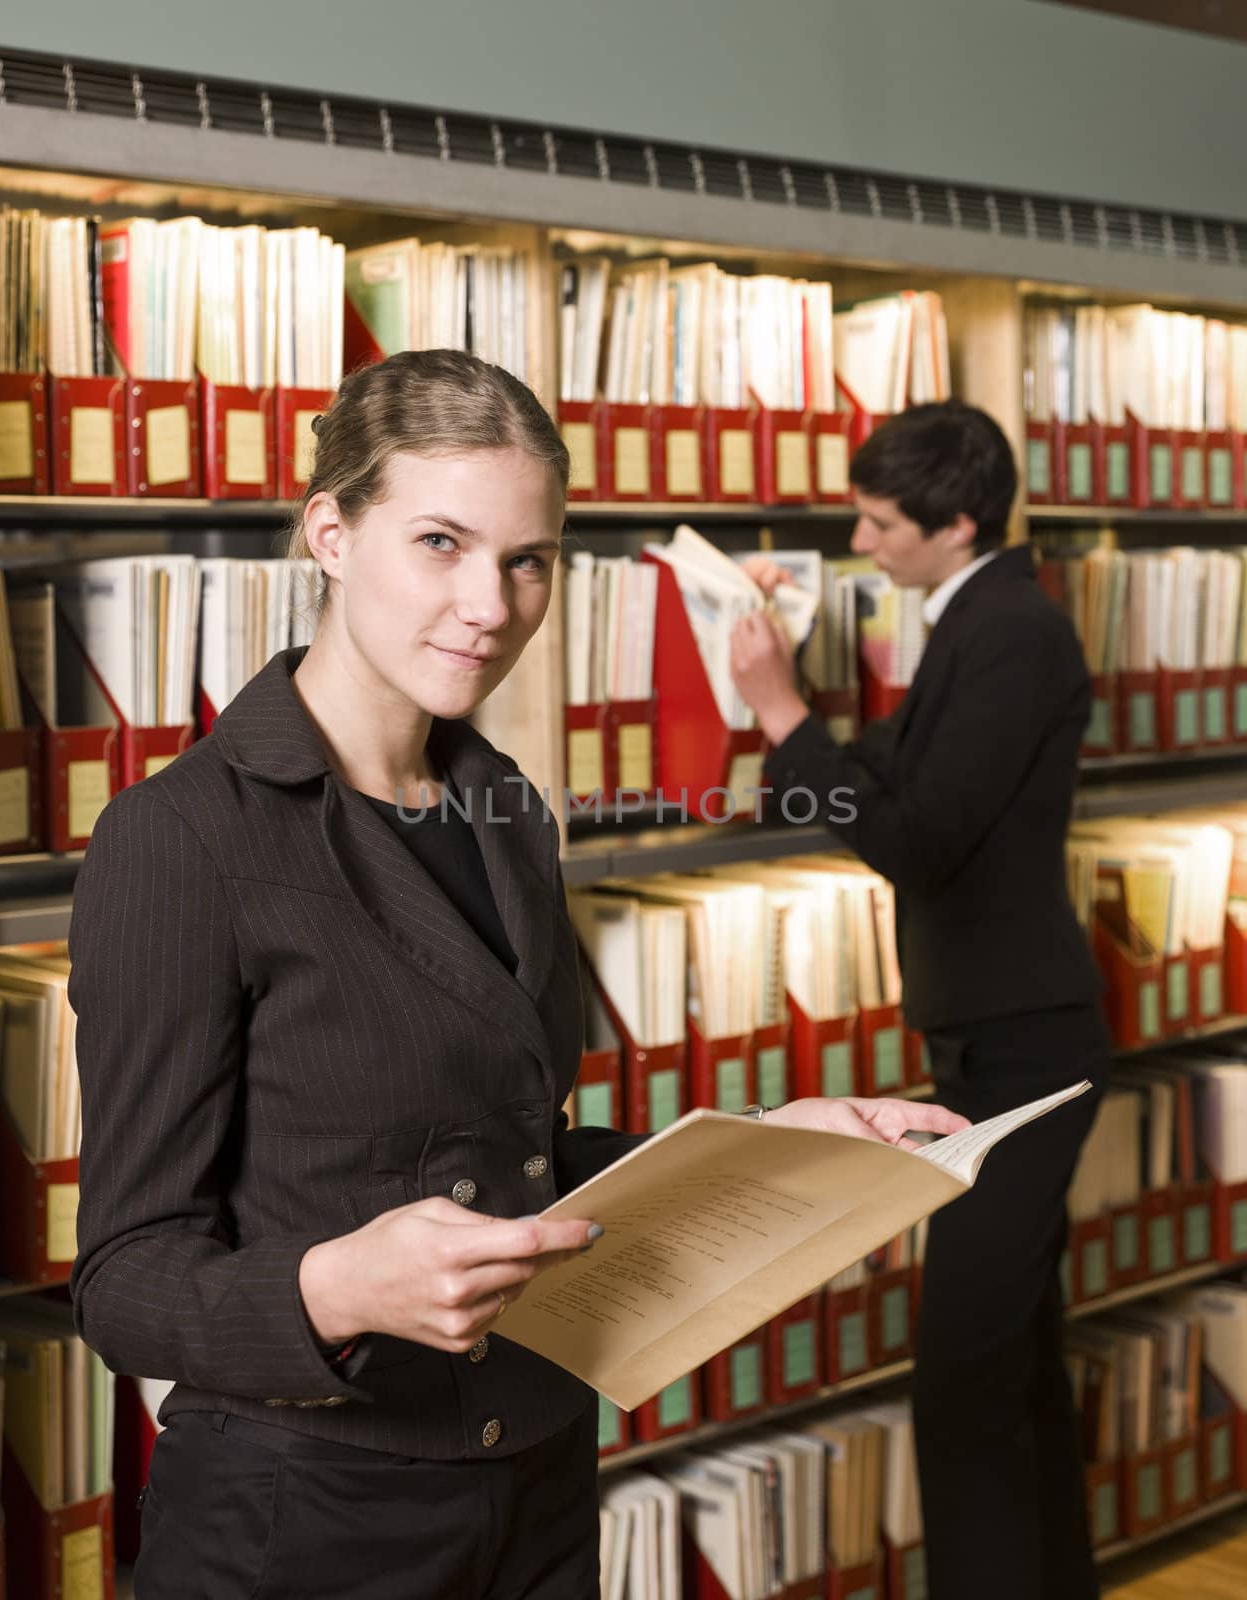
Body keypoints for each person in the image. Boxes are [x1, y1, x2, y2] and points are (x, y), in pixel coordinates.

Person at [68, 349, 968, 1600]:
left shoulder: (505, 809)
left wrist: (775, 1146)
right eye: (440, 541)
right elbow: (124, 1281)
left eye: (527, 558)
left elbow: (512, 1162)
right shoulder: (183, 837)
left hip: (539, 1479)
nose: (490, 604)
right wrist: (338, 1283)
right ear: (330, 533)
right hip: (307, 1514)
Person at [731, 399, 1110, 1600]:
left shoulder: (1011, 632)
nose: (861, 540)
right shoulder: (970, 616)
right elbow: (892, 775)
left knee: (960, 1382)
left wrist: (783, 712)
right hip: (988, 1043)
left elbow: (917, 841)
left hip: (1023, 1052)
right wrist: (785, 729)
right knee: (1017, 1368)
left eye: (881, 522)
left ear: (954, 523)